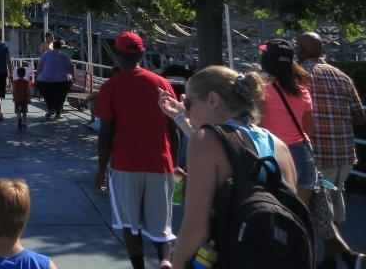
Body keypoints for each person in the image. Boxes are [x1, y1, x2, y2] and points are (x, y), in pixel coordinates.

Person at [158, 66, 299, 268]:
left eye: (188, 103)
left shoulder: (205, 141)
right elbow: (228, 150)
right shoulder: (279, 145)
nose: (187, 112)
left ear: (213, 100)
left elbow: (197, 229)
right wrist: (180, 117)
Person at [94, 32, 179, 269]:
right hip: (160, 163)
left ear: (118, 54)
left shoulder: (110, 87)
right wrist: (175, 163)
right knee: (163, 226)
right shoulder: (162, 84)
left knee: (130, 225)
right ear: (141, 53)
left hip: (125, 164)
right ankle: (164, 260)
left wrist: (101, 170)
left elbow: (106, 132)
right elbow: (175, 128)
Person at [295, 32, 366, 269]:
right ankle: (331, 259)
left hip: (318, 159)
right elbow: (360, 116)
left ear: (303, 50)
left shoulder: (301, 77)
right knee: (333, 199)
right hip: (344, 159)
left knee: (318, 207)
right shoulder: (343, 77)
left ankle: (335, 257)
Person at [258, 38, 316, 206]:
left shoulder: (263, 90)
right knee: (301, 215)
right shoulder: (302, 90)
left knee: (276, 213)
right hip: (303, 154)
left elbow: (258, 124)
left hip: (274, 153)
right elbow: (309, 129)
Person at [35, 39, 75, 120]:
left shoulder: (46, 54)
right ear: (60, 47)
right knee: (61, 95)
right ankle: (58, 112)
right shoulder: (64, 55)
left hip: (45, 79)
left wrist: (36, 74)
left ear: (53, 46)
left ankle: (50, 108)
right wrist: (73, 76)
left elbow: (40, 65)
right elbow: (71, 67)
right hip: (63, 79)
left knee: (45, 92)